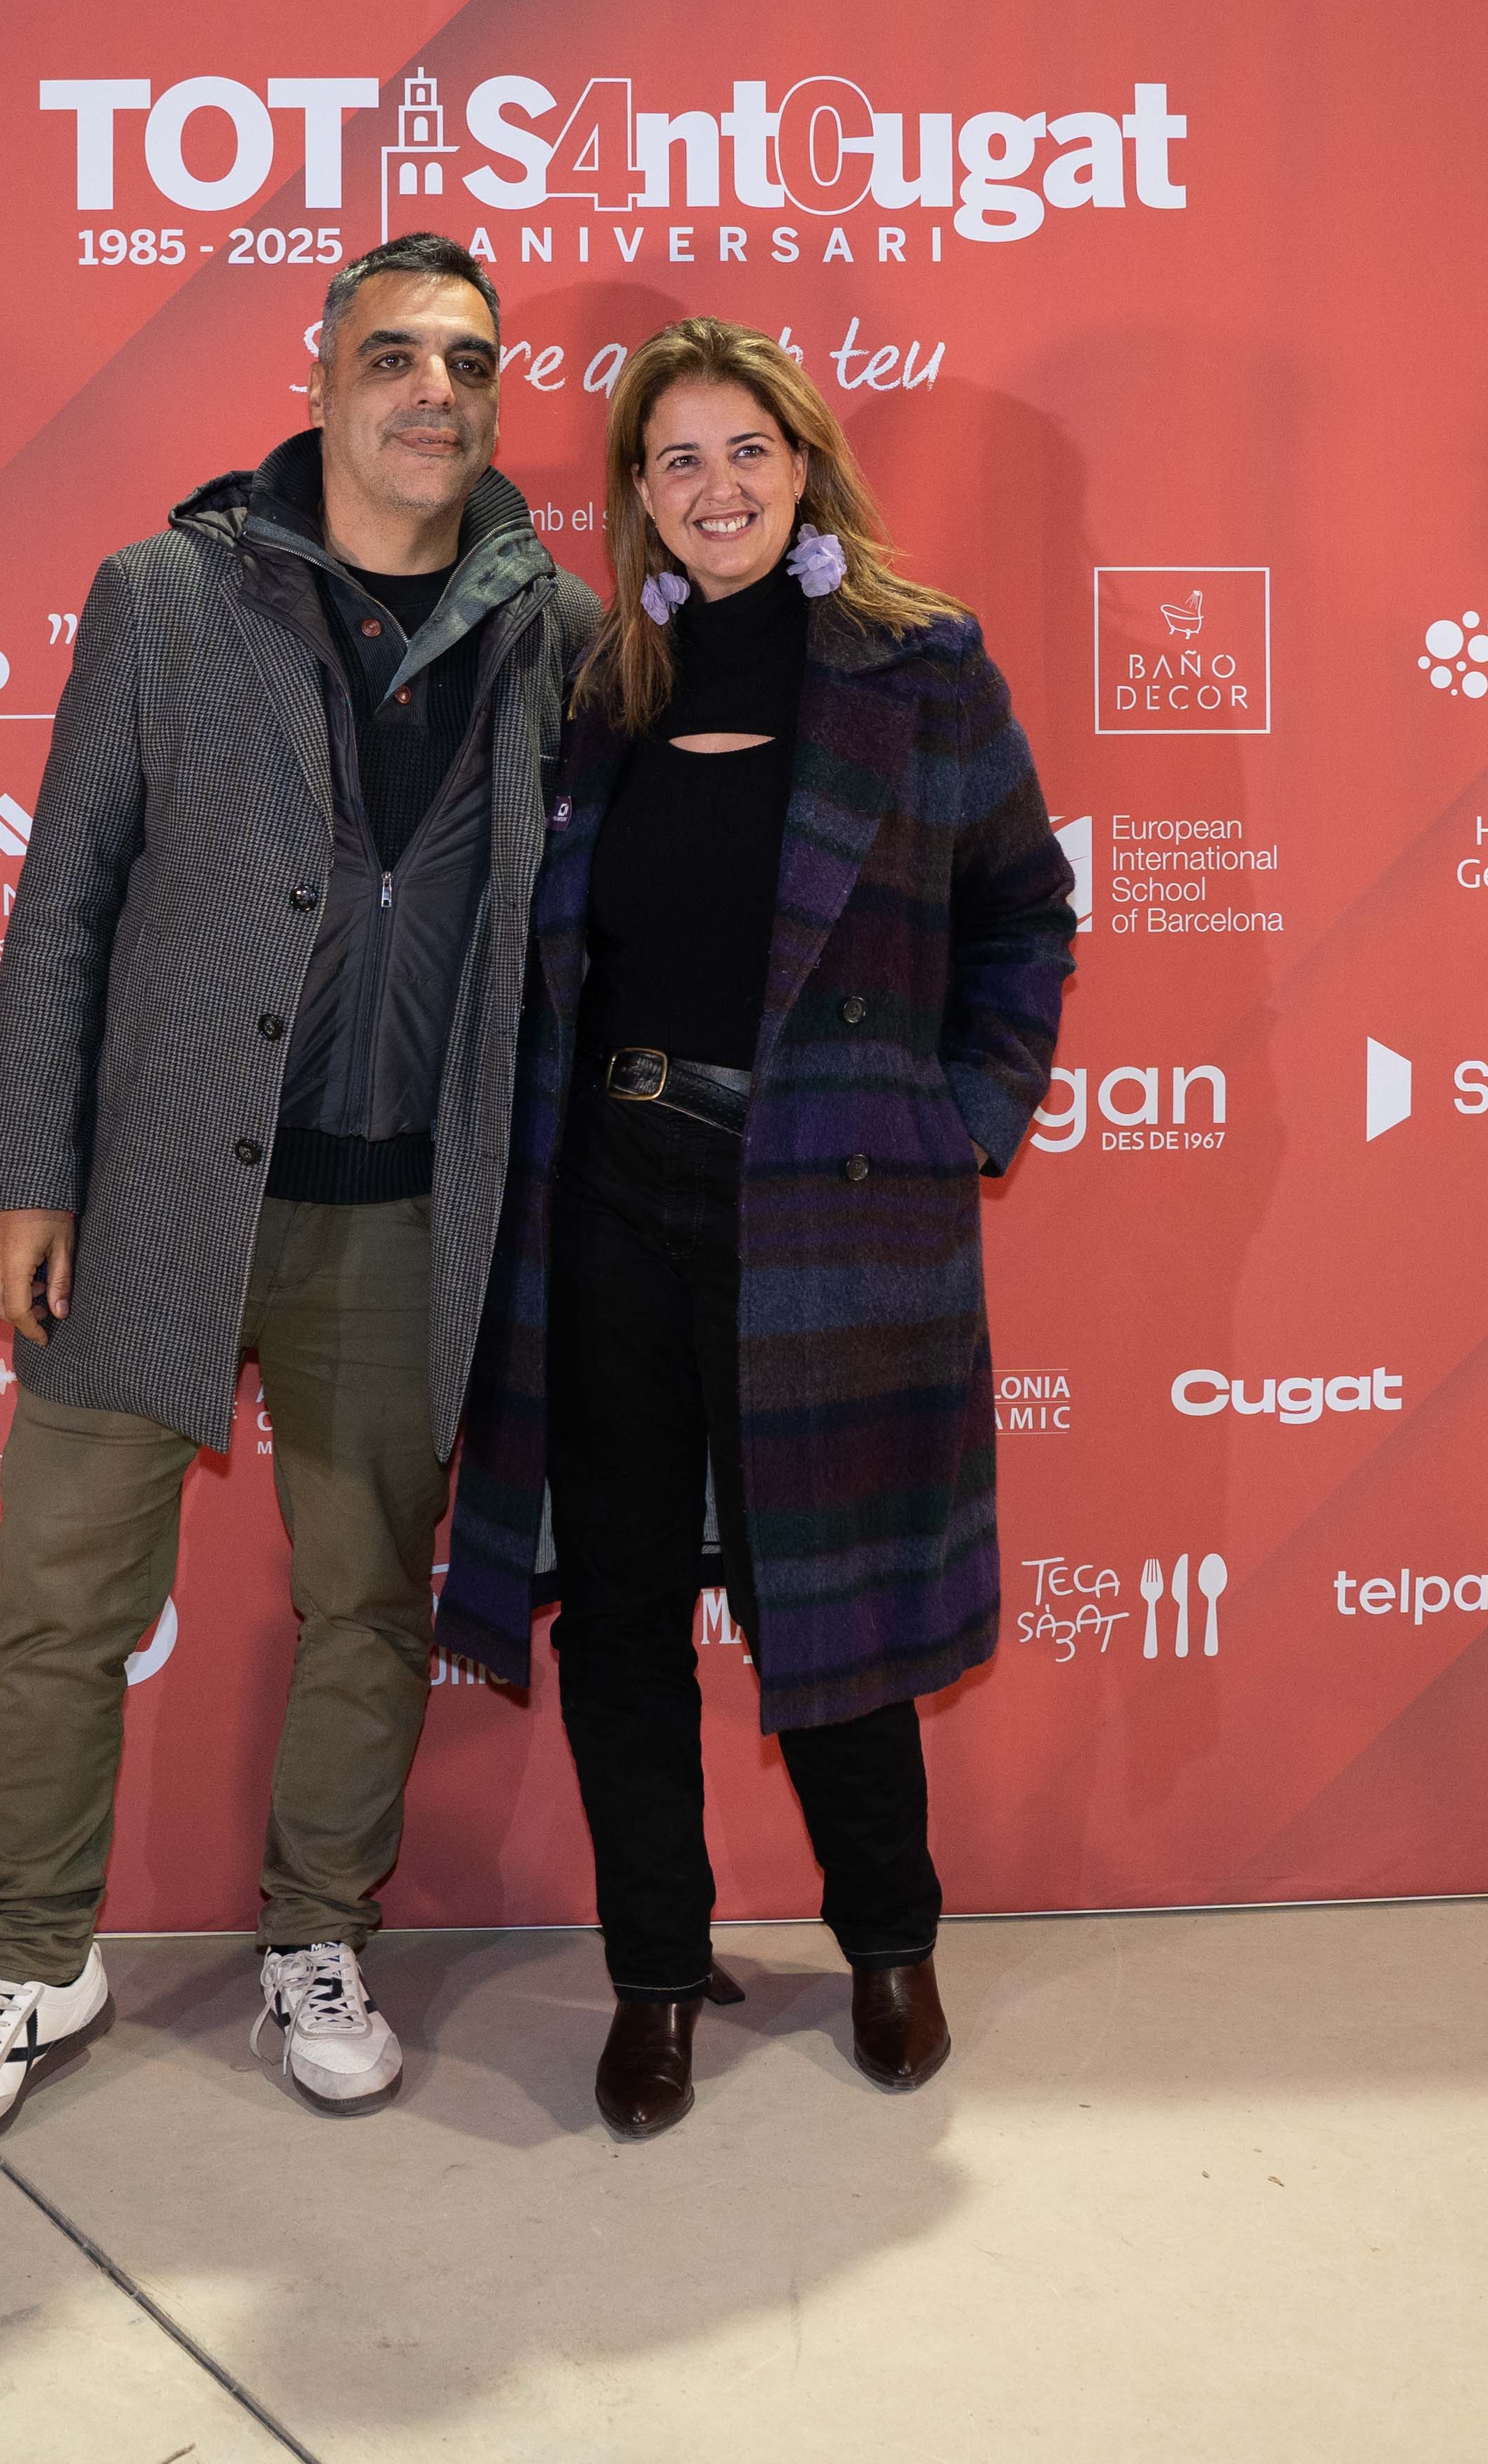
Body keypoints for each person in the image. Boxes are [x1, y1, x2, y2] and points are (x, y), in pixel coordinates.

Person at [0, 235, 603, 2153]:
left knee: (370, 1599)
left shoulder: (559, 629)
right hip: (152, 1208)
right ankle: (36, 1955)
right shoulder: (168, 599)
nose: (432, 391)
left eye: (468, 360)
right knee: (59, 1594)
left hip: (401, 1218)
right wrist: (26, 1167)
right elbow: (67, 907)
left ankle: (317, 1940)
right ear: (320, 374)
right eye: (394, 355)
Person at [439, 316, 1073, 2139]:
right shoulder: (595, 691)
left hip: (829, 1202)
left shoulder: (913, 668)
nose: (714, 489)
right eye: (675, 462)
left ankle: (888, 1937)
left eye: (746, 452)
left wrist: (959, 1116)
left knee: (833, 1592)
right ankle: (657, 1971)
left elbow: (1026, 914)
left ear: (804, 466)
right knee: (624, 1604)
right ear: (636, 498)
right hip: (608, 1203)